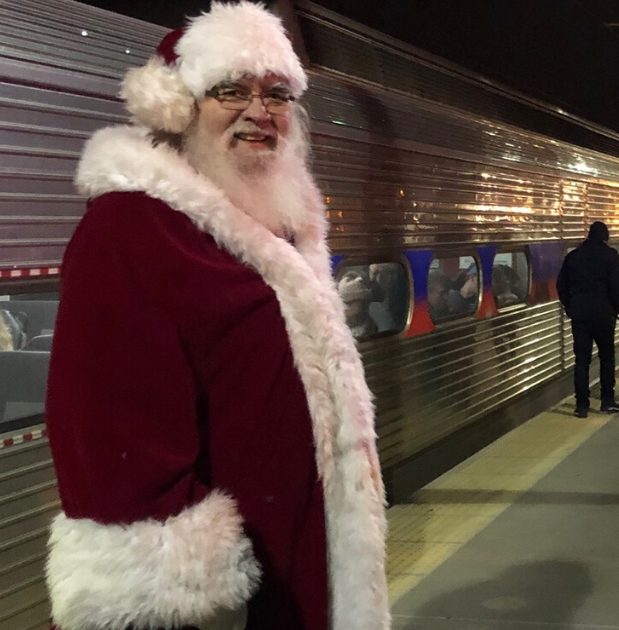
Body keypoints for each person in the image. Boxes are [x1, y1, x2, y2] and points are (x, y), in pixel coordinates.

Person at [42, 5, 390, 629]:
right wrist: (191, 602)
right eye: (231, 90)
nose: (260, 112)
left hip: (299, 568)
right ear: (179, 108)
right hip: (222, 603)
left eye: (277, 94)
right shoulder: (132, 228)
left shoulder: (277, 228)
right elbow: (109, 444)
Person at [557, 221, 619, 417]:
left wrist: (570, 306)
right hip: (604, 314)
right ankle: (607, 400)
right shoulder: (610, 255)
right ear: (605, 236)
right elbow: (616, 285)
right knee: (606, 357)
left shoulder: (573, 256)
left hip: (580, 315)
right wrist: (615, 308)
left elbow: (561, 285)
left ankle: (582, 405)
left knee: (582, 360)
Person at [338, 271, 378, 338]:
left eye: (365, 304)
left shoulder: (371, 327)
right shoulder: (335, 329)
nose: (364, 309)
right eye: (361, 304)